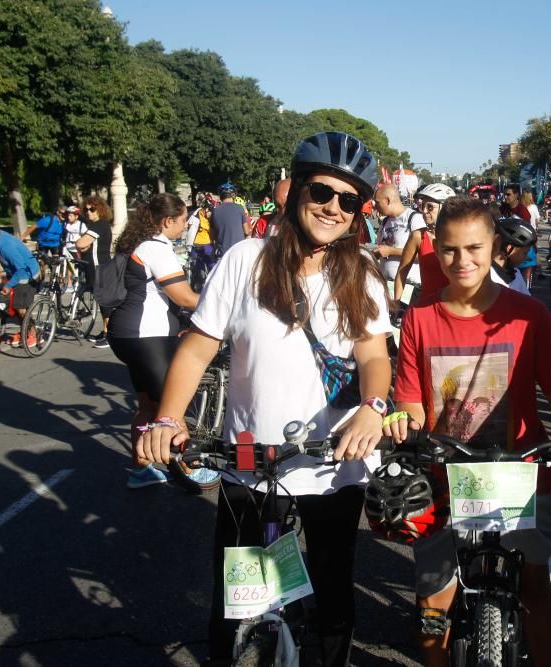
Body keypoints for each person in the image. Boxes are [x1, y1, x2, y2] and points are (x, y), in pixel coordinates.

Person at [137, 131, 392, 666]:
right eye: (322, 192)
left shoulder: (362, 272)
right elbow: (198, 348)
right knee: (236, 606)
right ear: (297, 190)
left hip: (332, 465)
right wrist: (164, 419)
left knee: (332, 598)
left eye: (349, 200)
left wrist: (372, 408)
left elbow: (373, 356)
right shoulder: (246, 259)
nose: (333, 208)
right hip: (250, 463)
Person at [387, 195, 551, 667]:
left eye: (475, 248)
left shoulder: (528, 315)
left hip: (521, 474)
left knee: (535, 588)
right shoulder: (419, 318)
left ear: (495, 246)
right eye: (451, 250)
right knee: (433, 600)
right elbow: (410, 400)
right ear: (434, 249)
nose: (463, 261)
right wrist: (405, 423)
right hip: (442, 475)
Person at [108, 194, 220, 491]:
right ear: (167, 221)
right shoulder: (156, 247)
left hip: (128, 335)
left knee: (147, 405)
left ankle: (140, 469)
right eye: (183, 220)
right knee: (173, 409)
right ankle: (190, 468)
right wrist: (222, 307)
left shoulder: (139, 243)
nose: (186, 227)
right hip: (148, 336)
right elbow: (183, 297)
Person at [394, 183, 456, 305]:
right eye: (422, 206)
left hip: (454, 306)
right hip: (427, 307)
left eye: (430, 207)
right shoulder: (418, 236)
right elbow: (402, 272)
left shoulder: (459, 237)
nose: (424, 211)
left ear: (444, 208)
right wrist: (396, 303)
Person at [0, 230, 40, 348]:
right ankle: (25, 331)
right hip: (15, 271)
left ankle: (34, 335)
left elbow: (21, 269)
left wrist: (9, 285)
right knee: (11, 304)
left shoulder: (6, 247)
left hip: (26, 274)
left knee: (20, 308)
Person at [75, 196, 115, 348]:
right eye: (86, 210)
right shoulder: (96, 226)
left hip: (100, 267)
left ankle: (110, 335)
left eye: (92, 209)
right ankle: (105, 331)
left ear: (101, 209)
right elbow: (84, 246)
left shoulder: (100, 224)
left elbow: (81, 243)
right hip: (95, 267)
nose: (89, 212)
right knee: (101, 301)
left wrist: (80, 244)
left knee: (105, 302)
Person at [372, 183, 425, 288]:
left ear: (387, 201)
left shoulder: (414, 219)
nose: (375, 207)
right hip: (386, 285)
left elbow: (423, 255)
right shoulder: (385, 221)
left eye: (377, 203)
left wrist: (391, 251)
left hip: (409, 286)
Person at [492, 216, 535, 295]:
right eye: (525, 253)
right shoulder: (489, 277)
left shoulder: (515, 273)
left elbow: (527, 301)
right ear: (509, 248)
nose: (527, 257)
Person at [209, 183, 248, 256]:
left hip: (223, 252)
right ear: (233, 195)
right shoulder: (240, 208)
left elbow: (212, 235)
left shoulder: (215, 211)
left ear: (220, 195)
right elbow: (246, 231)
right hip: (239, 250)